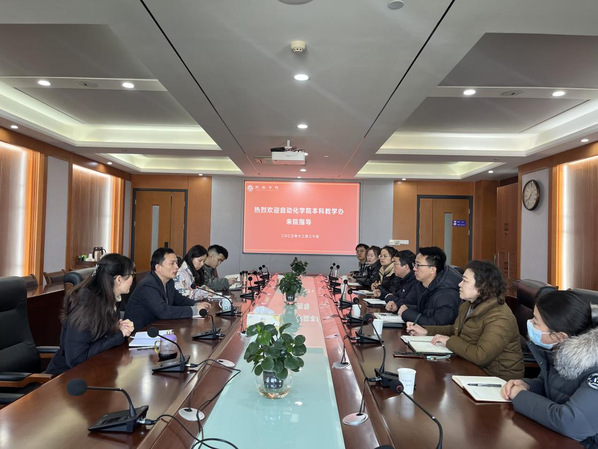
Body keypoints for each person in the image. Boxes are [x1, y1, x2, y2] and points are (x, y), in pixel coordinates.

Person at [500, 291, 598, 447]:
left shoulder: (593, 366)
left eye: (536, 322)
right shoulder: (561, 351)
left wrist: (520, 397)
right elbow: (551, 385)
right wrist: (527, 385)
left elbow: (571, 423)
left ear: (560, 336)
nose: (529, 323)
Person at [407, 260, 524, 380]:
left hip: (497, 380)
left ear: (482, 286)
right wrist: (426, 331)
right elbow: (455, 329)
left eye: (465, 281)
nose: (459, 284)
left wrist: (449, 341)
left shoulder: (500, 318)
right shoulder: (469, 305)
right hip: (469, 367)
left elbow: (481, 356)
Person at [46, 253, 136, 375]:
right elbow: (76, 359)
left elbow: (100, 338)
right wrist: (118, 335)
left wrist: (118, 329)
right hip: (66, 377)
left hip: (96, 370)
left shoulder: (110, 300)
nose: (133, 279)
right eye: (132, 274)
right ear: (118, 280)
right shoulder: (86, 307)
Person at [125, 247, 210, 331]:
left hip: (158, 327)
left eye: (176, 263)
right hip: (141, 332)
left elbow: (179, 299)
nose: (177, 267)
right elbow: (164, 311)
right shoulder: (148, 285)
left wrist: (196, 304)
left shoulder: (169, 281)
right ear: (158, 267)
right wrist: (194, 310)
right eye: (172, 263)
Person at [395, 246, 461, 326]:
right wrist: (406, 308)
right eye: (414, 264)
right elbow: (427, 311)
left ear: (432, 270)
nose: (414, 269)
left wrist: (407, 313)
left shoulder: (446, 294)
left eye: (418, 265)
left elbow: (437, 325)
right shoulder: (424, 285)